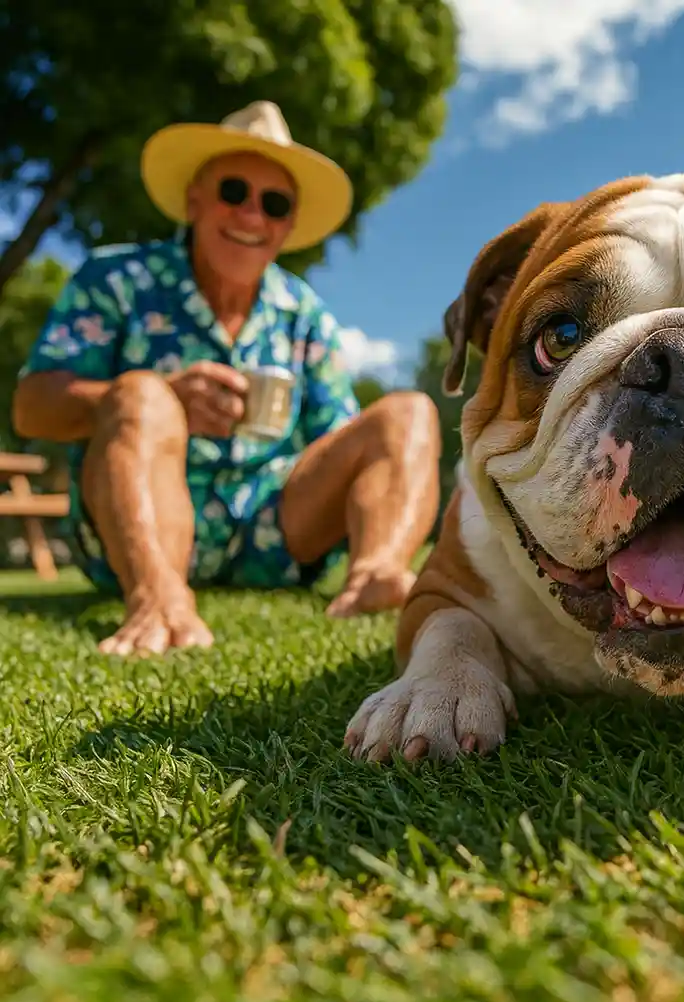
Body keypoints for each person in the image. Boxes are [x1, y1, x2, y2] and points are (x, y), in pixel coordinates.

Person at [12, 100, 441, 656]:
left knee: (410, 412)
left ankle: (375, 575)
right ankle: (157, 593)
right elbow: (31, 406)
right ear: (194, 198)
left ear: (288, 225)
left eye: (275, 203)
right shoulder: (115, 279)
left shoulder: (304, 312)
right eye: (233, 192)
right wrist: (157, 399)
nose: (252, 216)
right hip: (136, 527)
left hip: (278, 530)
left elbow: (341, 438)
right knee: (141, 393)